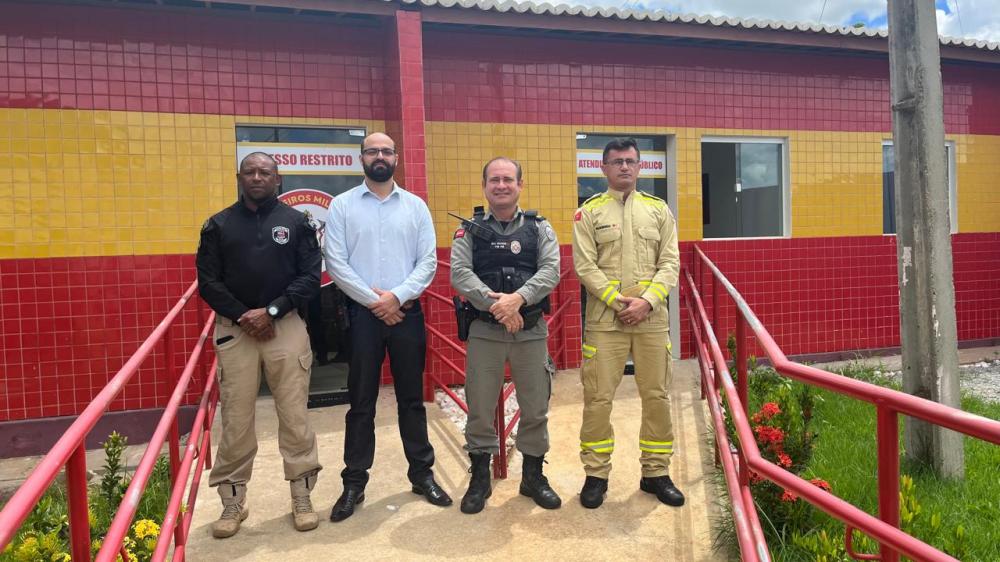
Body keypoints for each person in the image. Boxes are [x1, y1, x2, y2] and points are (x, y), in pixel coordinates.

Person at [323, 132, 451, 522]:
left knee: (412, 400)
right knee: (360, 401)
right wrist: (376, 302)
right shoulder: (342, 206)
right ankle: (354, 482)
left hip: (406, 314)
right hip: (362, 317)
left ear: (397, 157)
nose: (379, 156)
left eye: (386, 151)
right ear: (361, 158)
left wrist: (396, 297)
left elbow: (427, 262)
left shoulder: (416, 206)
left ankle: (422, 475)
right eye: (372, 151)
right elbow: (336, 261)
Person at [196, 152, 322, 538]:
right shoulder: (218, 225)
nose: (256, 177)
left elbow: (310, 277)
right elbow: (208, 282)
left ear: (277, 179)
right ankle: (233, 502)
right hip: (236, 330)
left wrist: (271, 311)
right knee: (236, 420)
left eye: (264, 172)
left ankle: (301, 495)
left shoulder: (297, 223)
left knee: (295, 416)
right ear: (239, 178)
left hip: (285, 326)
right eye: (249, 172)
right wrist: (245, 316)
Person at [572, 138, 684, 509]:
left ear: (640, 167)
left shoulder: (658, 210)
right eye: (617, 161)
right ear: (603, 168)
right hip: (606, 322)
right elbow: (584, 265)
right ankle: (596, 475)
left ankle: (656, 473)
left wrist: (647, 302)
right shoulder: (589, 213)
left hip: (651, 320)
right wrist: (618, 301)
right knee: (598, 399)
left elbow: (670, 263)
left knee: (657, 396)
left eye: (631, 161)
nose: (624, 167)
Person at [450, 157, 562, 514]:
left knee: (535, 406)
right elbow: (459, 273)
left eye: (508, 179)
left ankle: (532, 477)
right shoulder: (468, 230)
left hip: (530, 330)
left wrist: (518, 300)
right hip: (485, 330)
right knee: (480, 407)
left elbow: (552, 270)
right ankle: (480, 478)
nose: (501, 185)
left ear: (519, 185)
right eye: (494, 180)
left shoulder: (539, 228)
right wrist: (499, 306)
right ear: (485, 185)